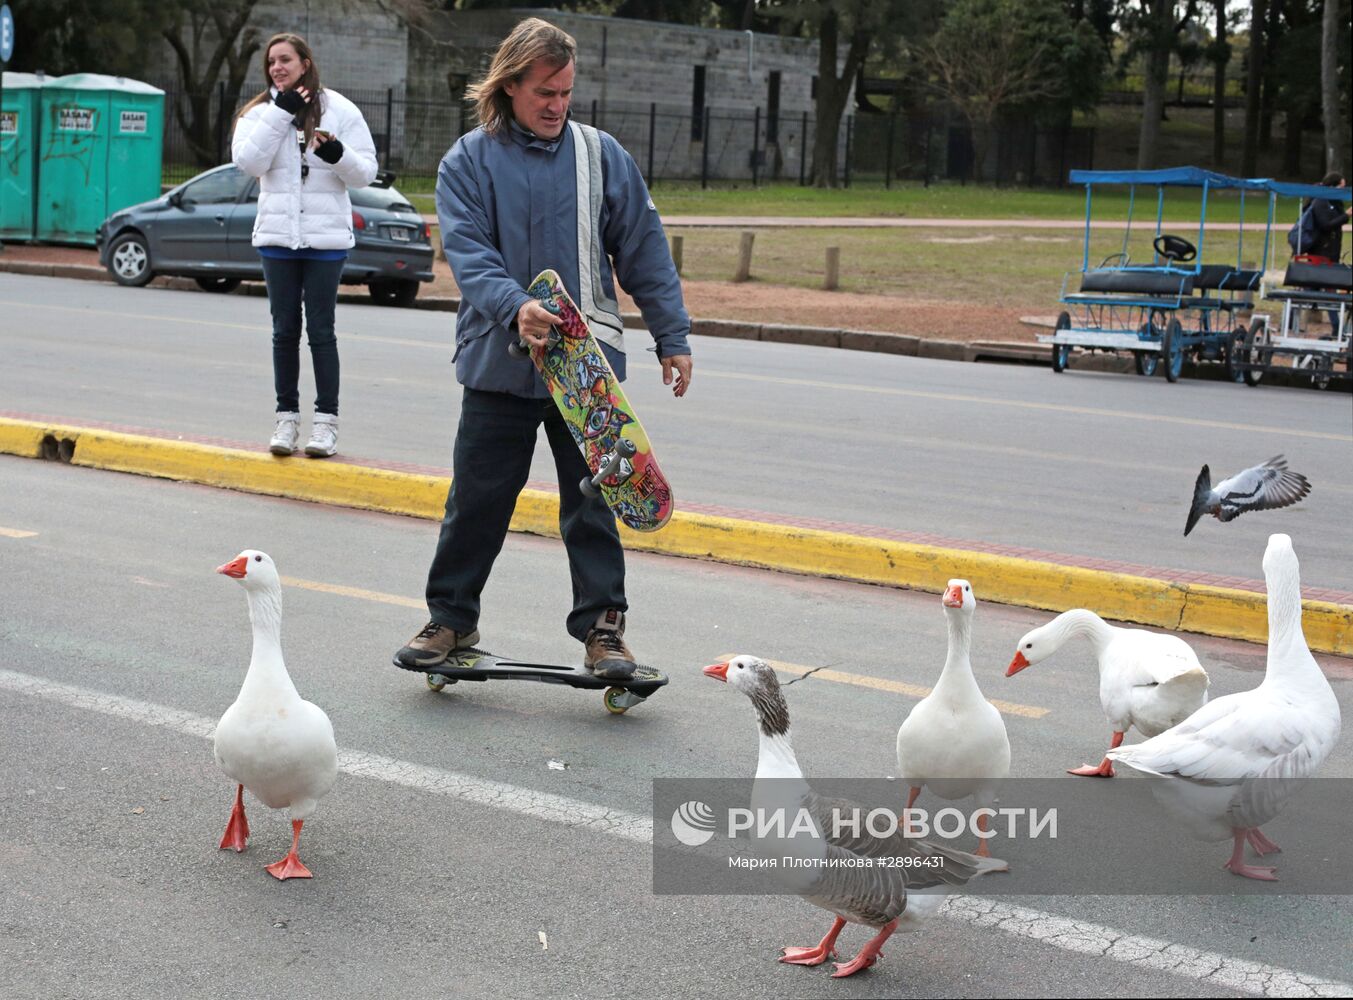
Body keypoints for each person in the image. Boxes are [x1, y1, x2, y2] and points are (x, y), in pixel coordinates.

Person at [395, 18, 692, 680]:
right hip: (498, 364)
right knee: (476, 501)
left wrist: (672, 335)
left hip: (585, 376)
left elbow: (642, 246)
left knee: (593, 503)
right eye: (543, 93)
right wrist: (514, 307)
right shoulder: (467, 161)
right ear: (509, 87)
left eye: (565, 91)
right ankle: (450, 619)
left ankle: (603, 631)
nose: (557, 105)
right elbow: (468, 255)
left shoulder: (601, 155)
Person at [232, 33, 378, 458]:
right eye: (272, 62)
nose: (277, 67)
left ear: (305, 63)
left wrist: (336, 154)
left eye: (286, 60)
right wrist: (280, 114)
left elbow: (365, 171)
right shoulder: (259, 113)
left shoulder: (340, 109)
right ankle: (286, 420)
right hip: (277, 239)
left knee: (321, 331)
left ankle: (326, 424)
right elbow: (249, 163)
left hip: (325, 241)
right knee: (283, 332)